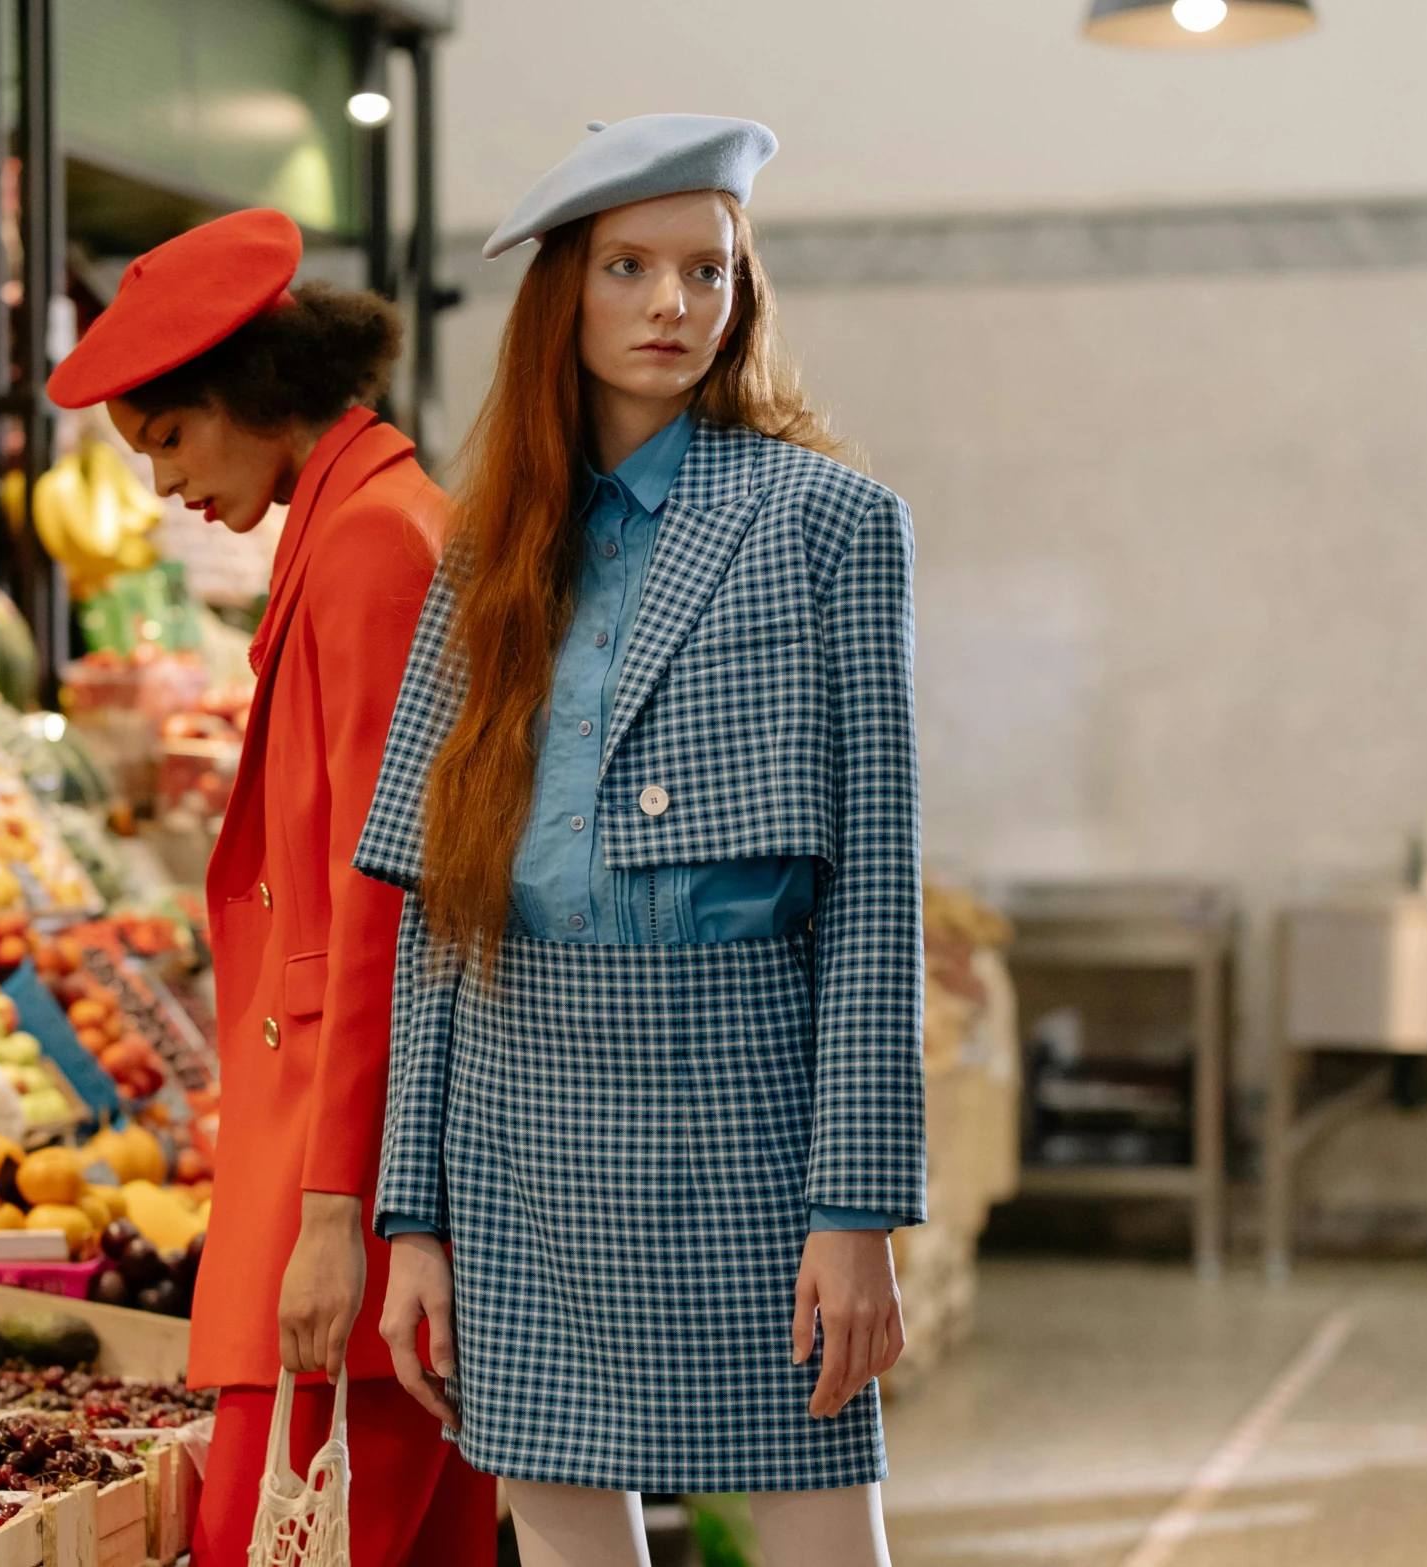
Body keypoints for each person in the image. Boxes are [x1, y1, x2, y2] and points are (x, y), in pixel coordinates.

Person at [352, 116, 926, 1567]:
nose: (672, 304)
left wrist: (853, 1206)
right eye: (628, 267)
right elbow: (442, 918)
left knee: (817, 1538)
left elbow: (871, 895)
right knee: (559, 1541)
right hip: (514, 1111)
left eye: (707, 271)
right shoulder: (486, 552)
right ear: (565, 289)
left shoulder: (830, 525)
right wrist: (410, 1215)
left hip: (739, 1101)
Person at [47, 209, 499, 1567]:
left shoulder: (368, 545)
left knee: (277, 1530)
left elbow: (380, 902)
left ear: (252, 395)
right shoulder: (381, 517)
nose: (163, 482)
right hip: (361, 1149)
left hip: (338, 1155)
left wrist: (331, 1220)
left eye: (169, 437)